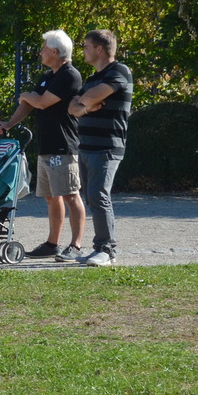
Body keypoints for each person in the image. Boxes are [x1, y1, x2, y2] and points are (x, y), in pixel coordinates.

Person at [0, 29, 86, 261]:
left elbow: (42, 102)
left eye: (44, 48)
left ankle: (75, 245)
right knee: (50, 196)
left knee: (70, 194)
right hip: (46, 145)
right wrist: (9, 123)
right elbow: (29, 104)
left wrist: (26, 95)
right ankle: (52, 244)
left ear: (55, 51)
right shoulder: (48, 76)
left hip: (63, 146)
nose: (40, 52)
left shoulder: (69, 75)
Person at [69, 28, 134, 267]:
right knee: (92, 197)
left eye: (86, 46)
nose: (83, 50)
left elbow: (88, 98)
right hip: (86, 146)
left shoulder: (119, 71)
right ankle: (99, 248)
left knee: (99, 195)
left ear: (99, 48)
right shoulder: (92, 78)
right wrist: (86, 104)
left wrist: (84, 102)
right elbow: (73, 107)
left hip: (107, 147)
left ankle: (107, 251)